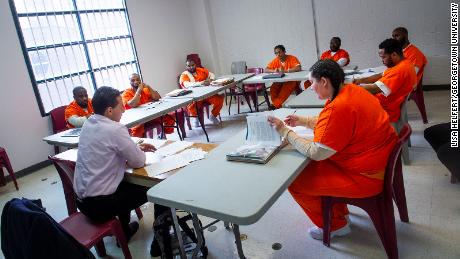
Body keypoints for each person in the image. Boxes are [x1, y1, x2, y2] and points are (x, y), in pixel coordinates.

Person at [267, 60, 398, 240]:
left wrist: (285, 132)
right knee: (311, 166)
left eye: (313, 82)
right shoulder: (352, 90)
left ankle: (337, 226)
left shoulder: (339, 107)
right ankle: (338, 213)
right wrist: (303, 121)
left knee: (296, 182)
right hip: (372, 161)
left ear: (324, 82)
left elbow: (316, 152)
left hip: (365, 177)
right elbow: (335, 125)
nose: (311, 87)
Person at [74, 86, 157, 241]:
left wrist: (133, 147)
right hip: (100, 206)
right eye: (121, 106)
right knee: (158, 187)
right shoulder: (115, 129)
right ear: (110, 111)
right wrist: (136, 151)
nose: (124, 110)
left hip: (81, 202)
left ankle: (124, 231)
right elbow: (138, 161)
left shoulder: (89, 123)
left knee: (122, 184)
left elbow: (105, 149)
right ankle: (161, 237)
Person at [353, 39, 417, 123]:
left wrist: (348, 87)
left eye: (384, 57)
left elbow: (374, 88)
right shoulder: (404, 63)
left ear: (394, 54)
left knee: (345, 106)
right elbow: (380, 75)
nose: (382, 60)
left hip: (384, 109)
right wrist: (360, 80)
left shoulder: (399, 70)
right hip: (382, 103)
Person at [122, 73, 175, 138]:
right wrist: (139, 91)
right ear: (129, 82)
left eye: (137, 79)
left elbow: (157, 97)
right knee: (137, 130)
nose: (136, 82)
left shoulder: (145, 90)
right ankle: (140, 145)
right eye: (133, 80)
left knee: (170, 116)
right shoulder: (126, 93)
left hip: (150, 115)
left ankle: (164, 133)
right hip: (138, 119)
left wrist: (149, 87)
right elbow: (133, 104)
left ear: (140, 81)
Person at [179, 59, 223, 127]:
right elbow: (186, 84)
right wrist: (201, 83)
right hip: (195, 97)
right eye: (189, 66)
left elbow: (212, 74)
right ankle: (195, 118)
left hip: (207, 94)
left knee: (219, 99)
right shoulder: (184, 75)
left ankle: (213, 116)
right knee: (191, 106)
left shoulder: (200, 70)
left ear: (195, 65)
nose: (191, 67)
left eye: (192, 65)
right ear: (186, 66)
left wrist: (210, 79)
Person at [265, 45, 302, 109]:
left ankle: (275, 105)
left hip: (292, 80)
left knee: (286, 88)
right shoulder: (276, 60)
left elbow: (298, 68)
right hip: (281, 80)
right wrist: (274, 70)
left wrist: (286, 71)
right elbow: (266, 69)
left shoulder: (292, 58)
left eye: (279, 52)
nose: (278, 54)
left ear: (284, 51)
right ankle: (276, 105)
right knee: (273, 88)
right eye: (276, 53)